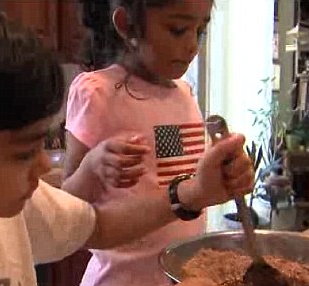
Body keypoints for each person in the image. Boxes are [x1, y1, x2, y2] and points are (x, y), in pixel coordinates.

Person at [0, 0, 253, 285]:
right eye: (24, 152)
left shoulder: (2, 206)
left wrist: (193, 193)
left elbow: (97, 226)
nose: (43, 168)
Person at [64, 0, 237, 285]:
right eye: (178, 29)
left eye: (201, 31)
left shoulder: (185, 93)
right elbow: (66, 205)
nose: (193, 45)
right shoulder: (97, 92)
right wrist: (92, 166)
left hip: (180, 276)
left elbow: (187, 183)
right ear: (126, 25)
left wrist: (226, 171)